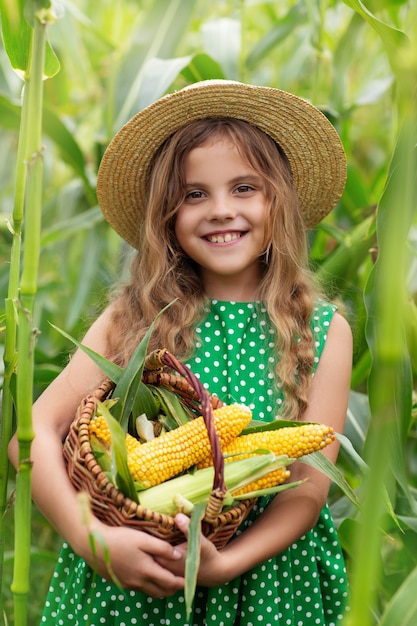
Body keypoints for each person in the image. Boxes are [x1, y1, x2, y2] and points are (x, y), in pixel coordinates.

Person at [9, 80, 352, 625]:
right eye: (194, 194)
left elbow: (306, 494)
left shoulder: (321, 332)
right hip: (133, 575)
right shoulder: (135, 319)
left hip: (264, 581)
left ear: (279, 200)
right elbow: (31, 436)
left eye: (245, 188)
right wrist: (90, 537)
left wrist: (225, 563)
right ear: (166, 215)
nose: (220, 210)